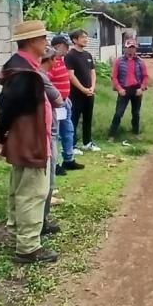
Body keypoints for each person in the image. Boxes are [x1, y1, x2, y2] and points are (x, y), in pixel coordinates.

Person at [0, 20, 61, 264]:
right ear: (32, 41)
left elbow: (7, 106)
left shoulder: (20, 67)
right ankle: (28, 248)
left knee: (21, 188)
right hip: (31, 139)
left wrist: (3, 133)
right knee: (33, 192)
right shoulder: (26, 74)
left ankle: (18, 234)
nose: (46, 42)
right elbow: (7, 107)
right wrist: (1, 132)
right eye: (43, 38)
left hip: (25, 138)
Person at [48, 35, 85, 174]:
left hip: (65, 102)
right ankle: (55, 164)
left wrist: (66, 98)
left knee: (68, 131)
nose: (68, 49)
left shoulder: (62, 61)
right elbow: (48, 84)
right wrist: (57, 99)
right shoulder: (50, 63)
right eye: (65, 46)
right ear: (57, 46)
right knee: (55, 135)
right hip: (56, 104)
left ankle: (68, 160)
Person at [39, 47, 63, 235]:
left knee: (44, 181)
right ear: (50, 60)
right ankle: (41, 222)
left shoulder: (37, 76)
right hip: (46, 135)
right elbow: (58, 100)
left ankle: (40, 221)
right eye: (54, 59)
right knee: (47, 181)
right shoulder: (41, 77)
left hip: (44, 133)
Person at [65, 29, 101, 152]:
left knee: (88, 119)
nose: (86, 39)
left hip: (89, 93)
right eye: (83, 37)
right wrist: (83, 89)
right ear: (75, 40)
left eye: (86, 37)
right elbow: (71, 76)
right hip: (76, 94)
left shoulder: (88, 55)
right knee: (73, 120)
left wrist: (92, 87)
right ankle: (72, 145)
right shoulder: (70, 56)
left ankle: (87, 142)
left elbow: (93, 72)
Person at [108, 38, 149, 141]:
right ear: (125, 48)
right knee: (118, 113)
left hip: (136, 89)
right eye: (129, 48)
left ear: (135, 49)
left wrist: (142, 88)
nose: (131, 50)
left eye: (133, 48)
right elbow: (114, 77)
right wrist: (119, 89)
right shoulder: (119, 61)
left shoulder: (140, 62)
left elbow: (145, 76)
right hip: (124, 89)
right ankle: (112, 135)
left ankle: (135, 133)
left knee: (136, 113)